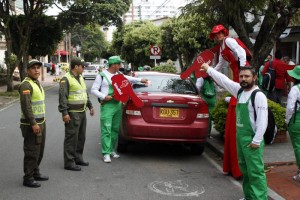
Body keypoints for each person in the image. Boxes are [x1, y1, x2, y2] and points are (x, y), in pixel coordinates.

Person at [201, 63, 268, 200]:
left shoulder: (258, 95)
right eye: (241, 76)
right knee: (245, 169)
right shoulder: (239, 91)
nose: (243, 79)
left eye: (247, 76)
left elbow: (263, 120)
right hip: (241, 137)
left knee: (255, 172)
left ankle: (260, 198)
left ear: (254, 77)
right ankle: (249, 196)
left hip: (252, 139)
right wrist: (209, 69)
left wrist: (257, 140)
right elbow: (224, 80)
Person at [91, 56, 148, 163]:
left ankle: (112, 150)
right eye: (119, 64)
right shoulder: (102, 75)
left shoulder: (119, 75)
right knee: (106, 130)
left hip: (117, 105)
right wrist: (103, 96)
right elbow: (93, 90)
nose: (121, 66)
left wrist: (141, 80)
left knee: (115, 129)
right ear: (114, 65)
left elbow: (128, 78)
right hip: (107, 105)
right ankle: (106, 153)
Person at [209, 24, 248, 179]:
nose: (218, 36)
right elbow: (219, 64)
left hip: (241, 72)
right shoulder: (221, 46)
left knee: (239, 92)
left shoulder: (230, 41)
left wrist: (244, 71)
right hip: (238, 72)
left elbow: (242, 52)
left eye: (219, 33)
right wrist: (210, 73)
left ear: (224, 33)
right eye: (215, 34)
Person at [58, 57, 95, 171]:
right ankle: (69, 162)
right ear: (76, 67)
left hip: (82, 112)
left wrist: (90, 106)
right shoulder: (66, 79)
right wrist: (64, 113)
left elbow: (84, 93)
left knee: (81, 137)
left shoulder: (80, 78)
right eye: (82, 66)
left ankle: (78, 158)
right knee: (71, 138)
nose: (84, 68)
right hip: (73, 113)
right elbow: (62, 98)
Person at [19, 59, 48, 188]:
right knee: (32, 151)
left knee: (39, 151)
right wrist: (33, 123)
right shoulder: (26, 85)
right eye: (33, 68)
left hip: (40, 122)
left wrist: (41, 120)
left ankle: (35, 172)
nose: (37, 70)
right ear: (28, 70)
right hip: (31, 125)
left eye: (38, 67)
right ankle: (28, 177)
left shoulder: (36, 83)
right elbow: (26, 107)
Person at [286, 65, 300, 181]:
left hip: (296, 120)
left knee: (298, 147)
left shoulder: (295, 89)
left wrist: (287, 121)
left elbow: (290, 108)